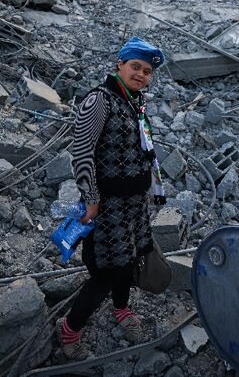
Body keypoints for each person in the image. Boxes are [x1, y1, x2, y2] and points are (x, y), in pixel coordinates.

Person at [58, 37, 166, 360]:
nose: (142, 75)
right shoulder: (100, 100)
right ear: (120, 64)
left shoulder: (135, 102)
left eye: (147, 71)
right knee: (106, 271)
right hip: (107, 207)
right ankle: (70, 328)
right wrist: (90, 198)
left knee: (130, 260)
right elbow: (82, 152)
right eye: (136, 67)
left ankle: (121, 310)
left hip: (133, 205)